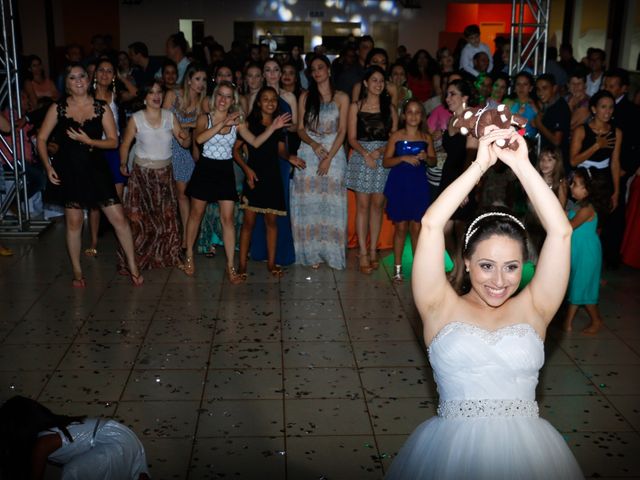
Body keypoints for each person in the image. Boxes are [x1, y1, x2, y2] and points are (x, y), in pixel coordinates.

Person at [386, 128, 582, 479]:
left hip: (529, 456)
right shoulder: (438, 306)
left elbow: (561, 232)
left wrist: (522, 165)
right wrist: (480, 165)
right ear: (465, 262)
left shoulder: (534, 308)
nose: (499, 280)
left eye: (511, 267)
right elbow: (431, 224)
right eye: (486, 266)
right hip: (451, 455)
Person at [36, 63, 142, 287]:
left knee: (118, 219)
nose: (79, 80)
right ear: (68, 84)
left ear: (88, 78)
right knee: (74, 223)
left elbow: (113, 140)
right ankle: (77, 270)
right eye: (73, 77)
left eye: (82, 76)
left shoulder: (101, 107)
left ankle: (133, 265)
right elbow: (42, 139)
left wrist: (89, 141)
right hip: (70, 169)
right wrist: (48, 167)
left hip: (96, 169)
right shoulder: (58, 108)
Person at [182, 81, 290, 282]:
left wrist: (273, 127)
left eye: (228, 96)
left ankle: (231, 267)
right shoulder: (203, 118)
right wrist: (222, 123)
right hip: (205, 168)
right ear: (215, 97)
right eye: (220, 95)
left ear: (233, 100)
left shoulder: (239, 121)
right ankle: (189, 256)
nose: (223, 100)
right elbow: (199, 140)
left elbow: (256, 142)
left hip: (225, 170)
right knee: (196, 214)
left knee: (228, 220)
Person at [234, 86, 305, 278]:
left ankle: (272, 263)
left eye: (273, 99)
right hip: (254, 178)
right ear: (258, 102)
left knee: (271, 222)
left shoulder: (278, 124)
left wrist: (289, 157)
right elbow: (236, 150)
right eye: (265, 99)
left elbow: (280, 150)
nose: (270, 102)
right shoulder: (251, 123)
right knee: (248, 223)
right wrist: (246, 169)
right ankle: (241, 265)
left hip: (272, 177)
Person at [119, 79, 189, 270]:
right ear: (144, 98)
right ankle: (137, 259)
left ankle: (167, 255)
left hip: (165, 174)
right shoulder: (136, 118)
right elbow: (125, 144)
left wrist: (185, 138)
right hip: (142, 175)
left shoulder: (169, 117)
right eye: (151, 92)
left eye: (159, 92)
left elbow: (184, 142)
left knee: (166, 218)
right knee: (140, 220)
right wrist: (124, 162)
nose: (156, 96)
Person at [290, 54, 349, 270]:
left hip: (334, 154)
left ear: (329, 70)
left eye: (320, 67)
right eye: (313, 69)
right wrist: (314, 146)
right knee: (310, 204)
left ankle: (332, 253)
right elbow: (300, 129)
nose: (316, 72)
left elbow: (342, 130)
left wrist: (329, 157)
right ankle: (311, 252)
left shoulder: (342, 97)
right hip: (308, 151)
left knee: (331, 204)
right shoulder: (305, 96)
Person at [0, 395, 150, 479]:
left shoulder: (43, 444)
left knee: (72, 473)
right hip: (122, 434)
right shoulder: (57, 427)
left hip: (112, 441)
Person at [84, 58, 138, 259]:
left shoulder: (116, 96)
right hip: (95, 151)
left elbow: (135, 93)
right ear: (95, 74)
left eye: (109, 71)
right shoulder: (87, 98)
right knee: (96, 201)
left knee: (116, 198)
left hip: (114, 151)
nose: (105, 74)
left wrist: (122, 77)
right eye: (101, 70)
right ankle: (93, 242)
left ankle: (121, 242)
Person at [346, 66, 397, 274]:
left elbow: (395, 135)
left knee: (378, 205)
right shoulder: (355, 106)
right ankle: (364, 252)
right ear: (366, 83)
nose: (378, 84)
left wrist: (381, 150)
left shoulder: (390, 108)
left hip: (383, 156)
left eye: (381, 81)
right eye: (374, 80)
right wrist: (366, 154)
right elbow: (350, 137)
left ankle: (374, 249)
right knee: (363, 206)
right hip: (361, 157)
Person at [383, 98, 435, 282]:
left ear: (421, 116)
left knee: (417, 228)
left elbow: (433, 161)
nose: (413, 115)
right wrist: (402, 158)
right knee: (400, 227)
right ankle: (397, 270)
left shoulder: (426, 137)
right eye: (410, 112)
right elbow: (386, 161)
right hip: (400, 184)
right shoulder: (396, 136)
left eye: (417, 112)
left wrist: (426, 157)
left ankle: (418, 270)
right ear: (404, 115)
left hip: (418, 185)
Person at [562, 167, 609, 334]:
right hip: (579, 252)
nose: (571, 186)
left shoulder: (586, 209)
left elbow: (568, 226)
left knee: (582, 289)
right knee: (577, 286)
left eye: (575, 184)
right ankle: (567, 324)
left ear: (587, 189)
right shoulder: (578, 205)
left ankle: (597, 321)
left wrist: (561, 201)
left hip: (587, 253)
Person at [570, 90, 621, 211]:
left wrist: (616, 192)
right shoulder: (581, 130)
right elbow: (573, 161)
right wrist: (596, 146)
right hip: (582, 180)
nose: (607, 111)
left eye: (610, 107)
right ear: (594, 109)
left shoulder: (617, 132)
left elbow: (615, 163)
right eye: (603, 107)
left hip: (603, 181)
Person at [532, 73, 571, 172]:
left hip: (557, 162)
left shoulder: (560, 108)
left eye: (545, 88)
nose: (540, 92)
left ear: (554, 88)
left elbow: (557, 141)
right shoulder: (547, 105)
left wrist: (539, 125)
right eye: (538, 89)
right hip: (548, 158)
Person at [509, 71, 538, 140]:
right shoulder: (509, 103)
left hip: (529, 143)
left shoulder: (536, 104)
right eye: (518, 84)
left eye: (525, 84)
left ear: (530, 88)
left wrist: (536, 111)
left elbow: (541, 126)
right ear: (514, 87)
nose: (521, 87)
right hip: (511, 141)